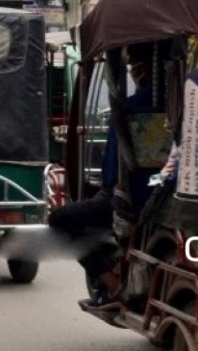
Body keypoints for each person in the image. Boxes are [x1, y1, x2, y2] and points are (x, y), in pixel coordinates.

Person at [48, 53, 156, 309]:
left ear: (141, 69)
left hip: (129, 198)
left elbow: (112, 172)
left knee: (60, 219)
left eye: (133, 67)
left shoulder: (131, 108)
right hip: (156, 196)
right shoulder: (186, 106)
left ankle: (111, 282)